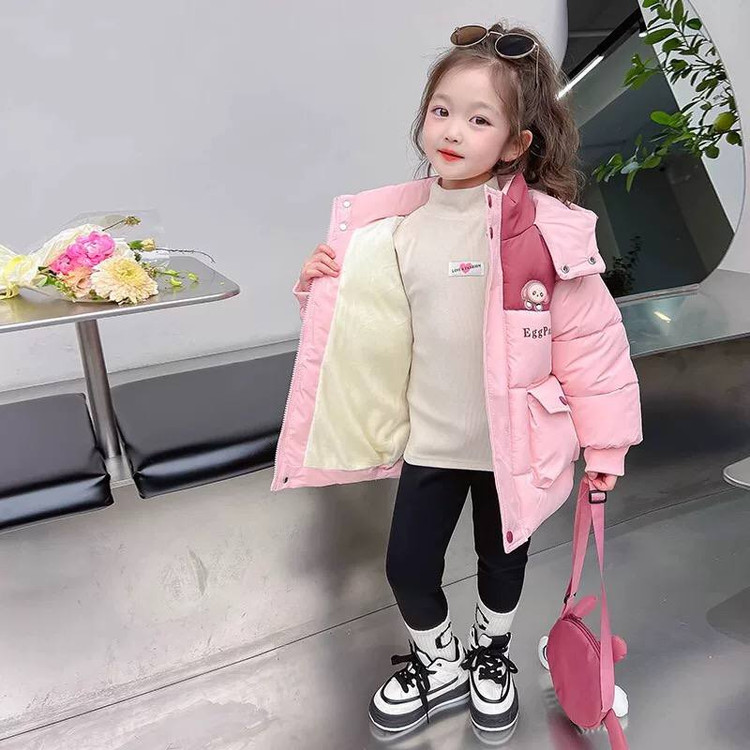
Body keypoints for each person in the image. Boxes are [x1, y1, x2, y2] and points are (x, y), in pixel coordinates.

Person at [277, 19, 643, 738]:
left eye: (479, 119)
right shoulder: (391, 229)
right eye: (441, 110)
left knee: (501, 564)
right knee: (408, 567)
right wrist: (318, 287)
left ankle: (490, 656)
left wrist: (605, 448)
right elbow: (358, 331)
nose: (451, 130)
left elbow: (592, 348)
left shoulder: (546, 231)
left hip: (515, 447)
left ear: (514, 144)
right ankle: (438, 662)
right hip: (432, 441)